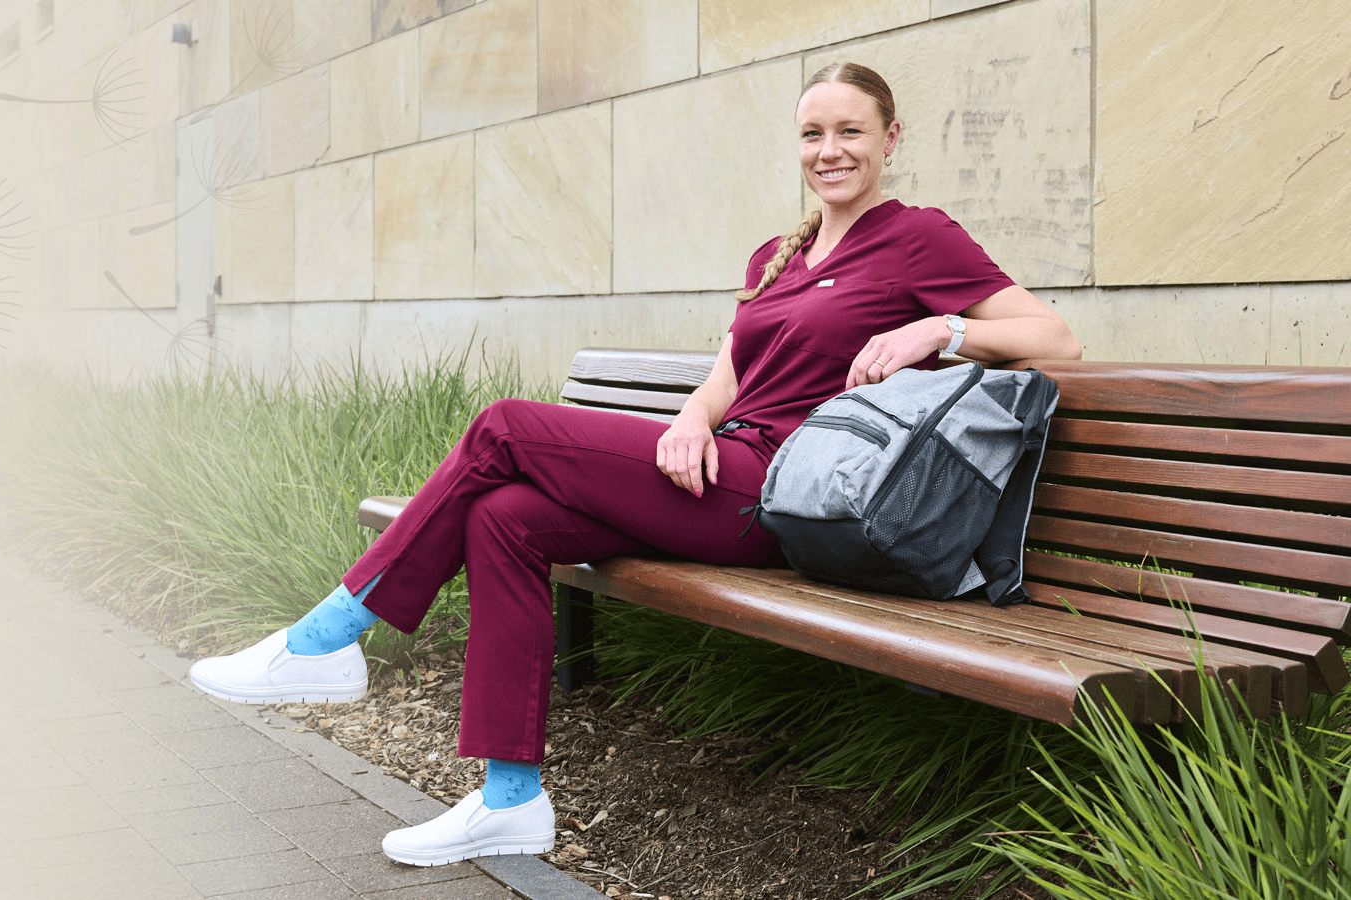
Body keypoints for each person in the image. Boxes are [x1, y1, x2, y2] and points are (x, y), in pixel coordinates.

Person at [188, 61, 1083, 867]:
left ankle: (328, 639)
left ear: (891, 139)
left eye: (851, 131)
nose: (830, 150)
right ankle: (510, 801)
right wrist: (692, 418)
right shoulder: (777, 255)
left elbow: (1057, 339)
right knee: (503, 519)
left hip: (787, 494)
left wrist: (942, 327)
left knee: (503, 425)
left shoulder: (918, 238)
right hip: (723, 469)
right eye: (813, 133)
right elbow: (733, 372)